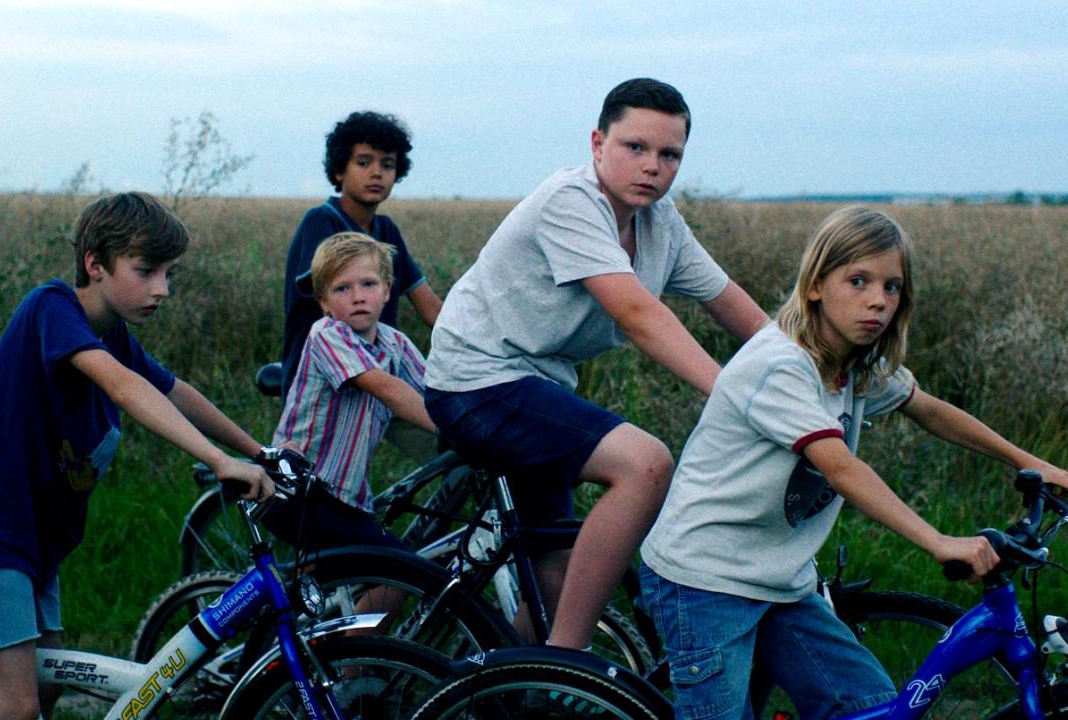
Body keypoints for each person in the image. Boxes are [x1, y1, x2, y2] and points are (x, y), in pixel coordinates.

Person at [638, 205, 1068, 719]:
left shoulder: (854, 363)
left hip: (780, 581)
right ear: (815, 285)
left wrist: (1031, 463)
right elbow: (841, 469)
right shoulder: (781, 366)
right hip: (705, 580)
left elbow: (930, 410)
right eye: (858, 280)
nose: (877, 300)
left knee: (870, 707)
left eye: (891, 287)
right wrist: (938, 542)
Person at [423, 78, 769, 648]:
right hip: (478, 382)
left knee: (556, 574)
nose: (652, 166)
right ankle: (568, 661)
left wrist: (814, 371)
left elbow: (740, 312)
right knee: (645, 465)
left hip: (537, 388)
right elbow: (637, 312)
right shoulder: (571, 201)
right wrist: (734, 394)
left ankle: (513, 697)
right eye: (635, 147)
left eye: (669, 154)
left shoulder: (661, 224)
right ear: (597, 144)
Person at [0, 192, 275, 720]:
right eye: (147, 270)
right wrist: (218, 460)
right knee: (15, 706)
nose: (163, 288)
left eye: (169, 273)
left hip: (36, 533)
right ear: (95, 265)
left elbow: (175, 391)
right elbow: (124, 388)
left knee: (46, 686)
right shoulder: (52, 308)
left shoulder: (114, 335)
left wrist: (259, 451)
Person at [263, 231, 436, 553]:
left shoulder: (394, 343)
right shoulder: (327, 334)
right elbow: (385, 388)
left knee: (332, 583)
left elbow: (434, 392)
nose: (358, 296)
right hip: (302, 491)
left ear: (387, 291)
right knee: (398, 570)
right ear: (324, 302)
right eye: (342, 288)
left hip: (346, 497)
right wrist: (452, 426)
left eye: (368, 284)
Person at [280, 111, 443, 399]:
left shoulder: (387, 231)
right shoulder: (321, 221)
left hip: (380, 374)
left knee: (448, 431)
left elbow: (430, 308)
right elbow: (329, 310)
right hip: (324, 380)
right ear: (340, 170)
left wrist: (478, 344)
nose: (377, 172)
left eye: (388, 165)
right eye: (364, 162)